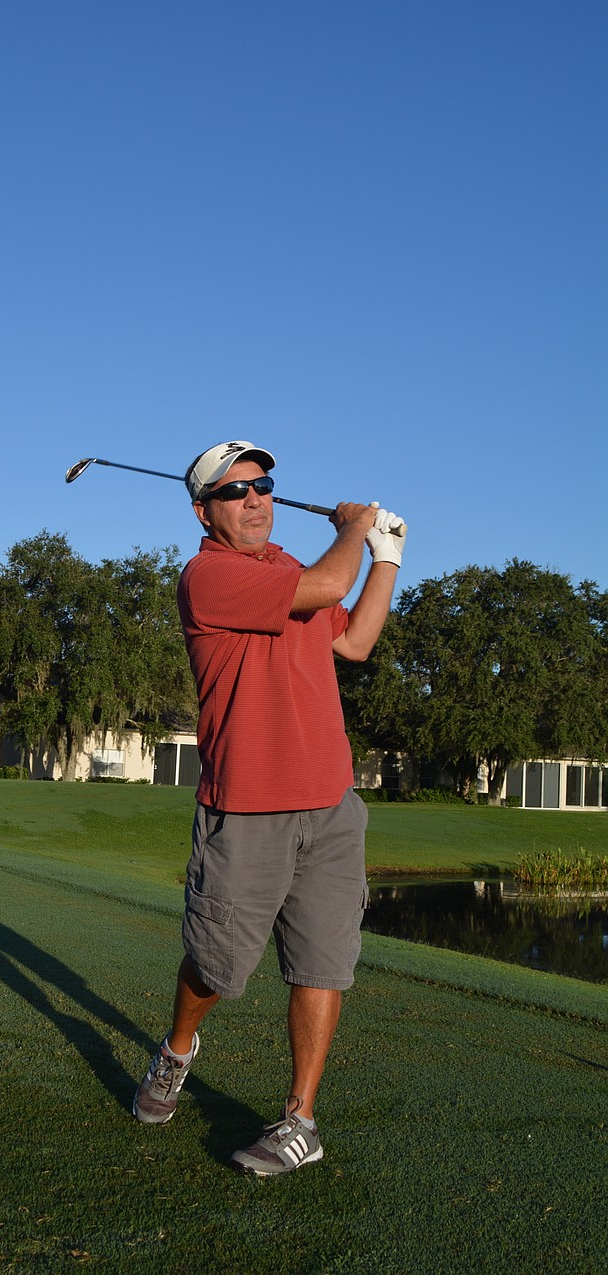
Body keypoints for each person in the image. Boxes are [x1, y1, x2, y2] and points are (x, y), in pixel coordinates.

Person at [132, 440, 407, 1176]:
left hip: (331, 803)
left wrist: (387, 557)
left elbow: (353, 639)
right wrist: (354, 525)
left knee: (322, 963)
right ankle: (178, 1049)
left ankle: (300, 1119)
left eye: (263, 485)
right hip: (247, 808)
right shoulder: (207, 576)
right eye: (235, 491)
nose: (255, 499)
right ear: (204, 511)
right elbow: (323, 588)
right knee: (215, 966)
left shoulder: (294, 570)